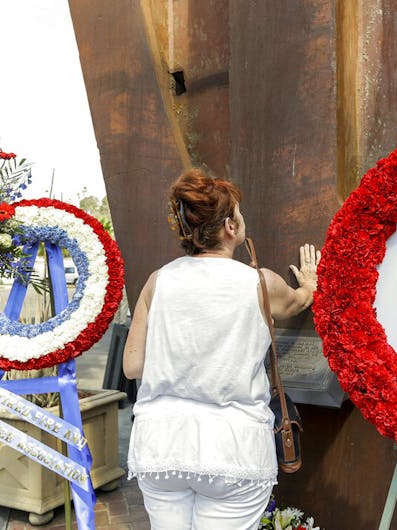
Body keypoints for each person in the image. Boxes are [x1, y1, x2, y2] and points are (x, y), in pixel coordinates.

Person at [123, 167, 321, 529]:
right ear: (231, 227)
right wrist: (309, 284)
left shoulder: (158, 281)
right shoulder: (259, 282)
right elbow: (296, 303)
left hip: (160, 447)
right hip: (233, 451)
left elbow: (133, 366)